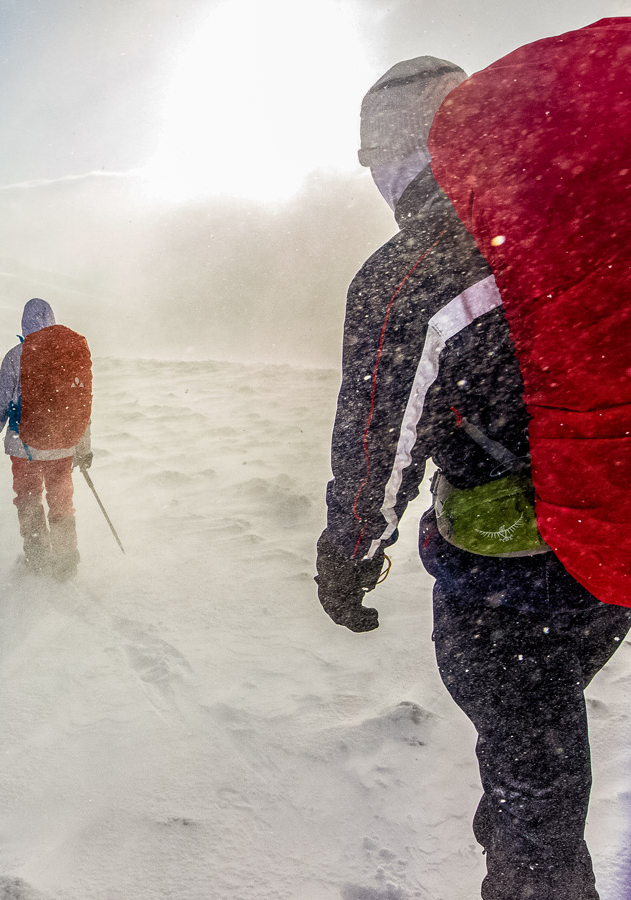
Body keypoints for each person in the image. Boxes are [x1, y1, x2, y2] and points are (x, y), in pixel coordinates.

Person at [315, 56, 631, 899]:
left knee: (537, 803)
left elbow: (377, 435)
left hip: (505, 585)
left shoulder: (409, 273)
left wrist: (349, 554)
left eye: (373, 155)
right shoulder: (583, 217)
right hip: (609, 554)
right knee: (538, 762)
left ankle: (528, 865)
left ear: (393, 154)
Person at [0, 298, 92, 580]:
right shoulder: (67, 356)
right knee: (61, 502)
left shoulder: (16, 356)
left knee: (29, 501)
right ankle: (66, 562)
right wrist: (84, 448)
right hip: (63, 448)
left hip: (23, 447)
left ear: (24, 323)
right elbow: (81, 407)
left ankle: (38, 558)